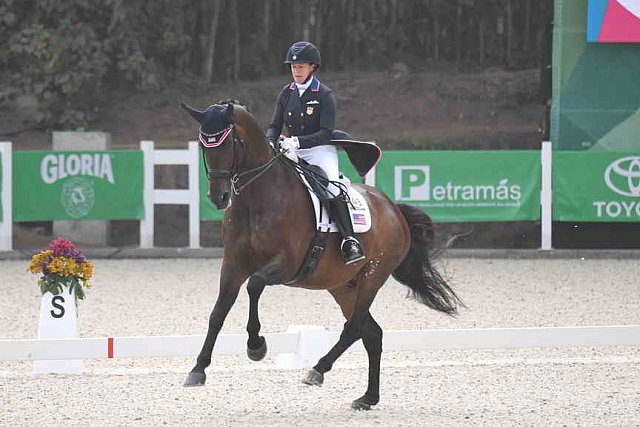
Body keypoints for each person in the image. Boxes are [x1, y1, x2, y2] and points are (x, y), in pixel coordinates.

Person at [266, 41, 365, 265]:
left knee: (330, 186)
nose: (296, 71)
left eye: (301, 66)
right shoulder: (286, 93)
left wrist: (297, 142)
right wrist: (271, 141)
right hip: (290, 149)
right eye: (293, 66)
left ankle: (350, 240)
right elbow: (274, 125)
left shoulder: (324, 94)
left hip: (319, 150)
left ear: (312, 67)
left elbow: (326, 132)